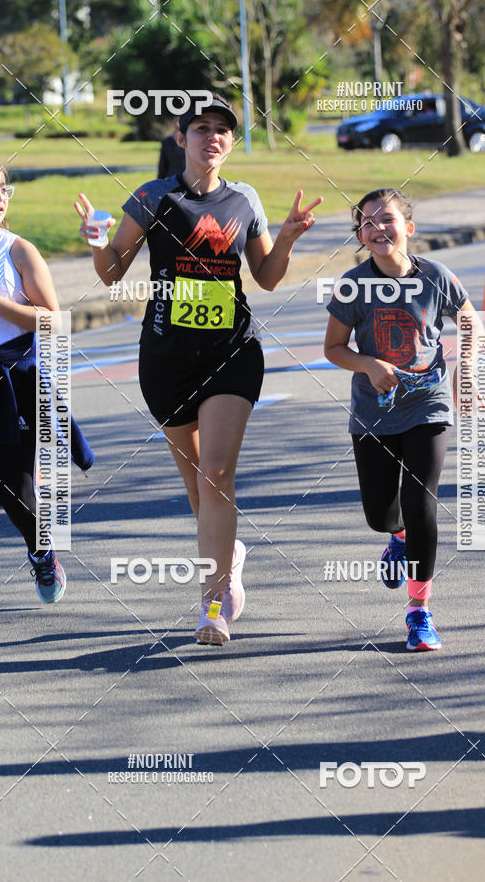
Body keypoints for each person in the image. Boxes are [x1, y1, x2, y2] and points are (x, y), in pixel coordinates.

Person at [75, 94, 322, 645]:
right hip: (165, 358)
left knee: (218, 474)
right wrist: (97, 244)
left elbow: (268, 277)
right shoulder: (152, 196)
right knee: (197, 485)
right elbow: (114, 273)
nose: (212, 137)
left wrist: (283, 238)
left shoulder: (244, 200)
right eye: (200, 129)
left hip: (231, 351)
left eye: (222, 131)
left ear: (232, 144)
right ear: (180, 138)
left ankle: (213, 606)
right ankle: (228, 553)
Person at [324, 187, 484, 651]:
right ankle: (396, 538)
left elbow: (471, 321)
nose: (378, 228)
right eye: (368, 223)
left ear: (408, 228)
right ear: (360, 235)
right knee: (380, 513)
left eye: (387, 219)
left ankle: (419, 612)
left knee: (421, 502)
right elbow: (332, 348)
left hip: (428, 404)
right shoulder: (352, 285)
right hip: (374, 413)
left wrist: (465, 370)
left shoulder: (436, 276)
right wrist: (369, 365)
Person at [0, 156, 92, 625]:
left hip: (10, 383)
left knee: (13, 489)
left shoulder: (18, 251)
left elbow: (54, 321)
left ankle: (42, 551)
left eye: (4, 189)